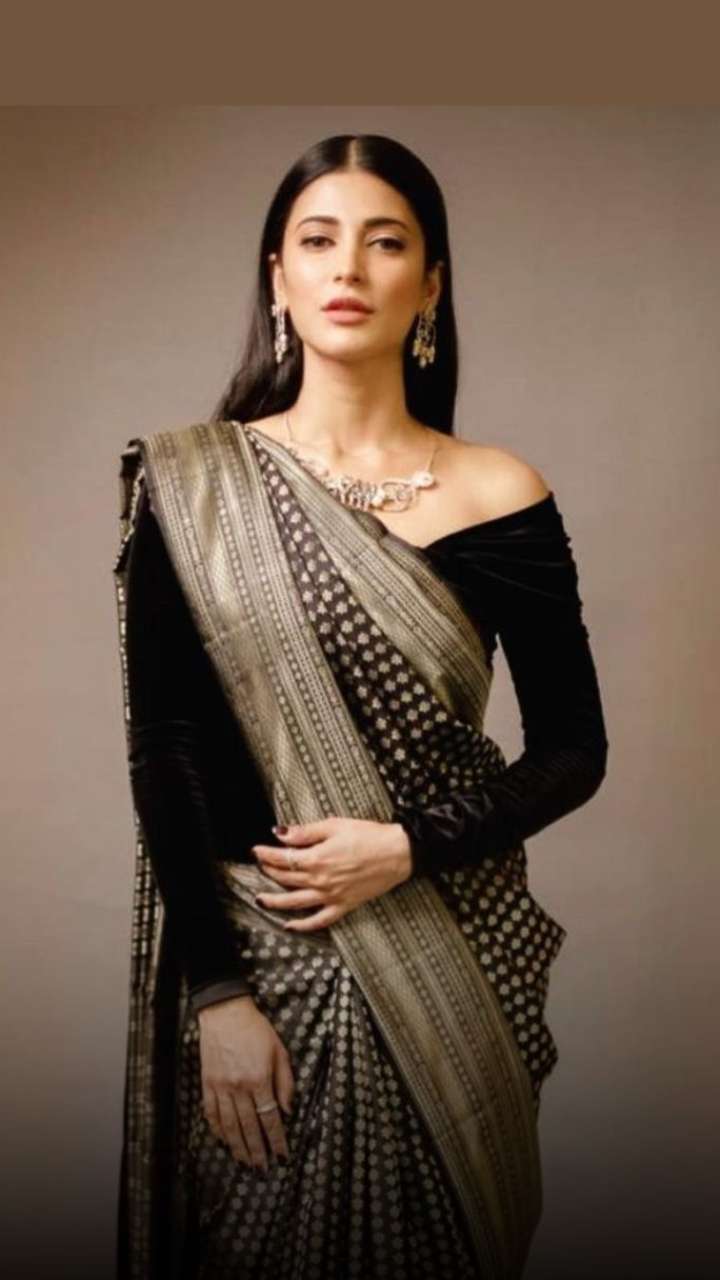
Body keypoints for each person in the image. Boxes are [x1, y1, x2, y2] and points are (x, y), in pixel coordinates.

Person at [112, 133, 608, 1280]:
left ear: (429, 285)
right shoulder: (195, 486)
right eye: (318, 240)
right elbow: (167, 752)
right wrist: (219, 997)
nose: (348, 267)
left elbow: (573, 749)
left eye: (386, 242)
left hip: (452, 958)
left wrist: (406, 846)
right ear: (277, 277)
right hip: (263, 963)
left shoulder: (498, 490)